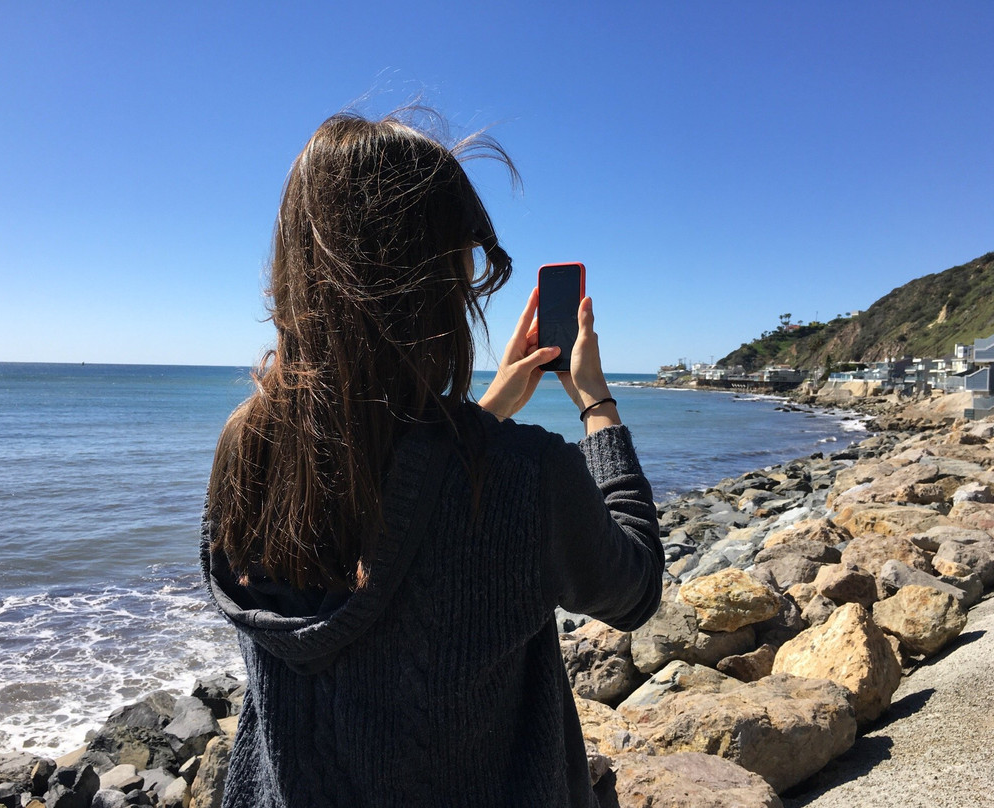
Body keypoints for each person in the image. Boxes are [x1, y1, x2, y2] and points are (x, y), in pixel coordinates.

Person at [201, 110, 664, 808]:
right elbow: (634, 591)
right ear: (437, 286)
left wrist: (484, 414)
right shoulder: (526, 476)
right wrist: (597, 406)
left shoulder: (247, 448)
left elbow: (392, 501)